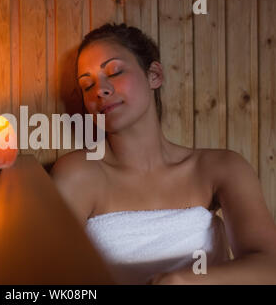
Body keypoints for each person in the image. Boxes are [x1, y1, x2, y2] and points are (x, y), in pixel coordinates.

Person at [50, 23, 276, 284]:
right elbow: (51, 276)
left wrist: (180, 281)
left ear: (154, 75)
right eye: (87, 85)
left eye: (115, 72)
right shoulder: (79, 173)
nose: (100, 90)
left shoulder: (220, 167)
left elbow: (270, 265)